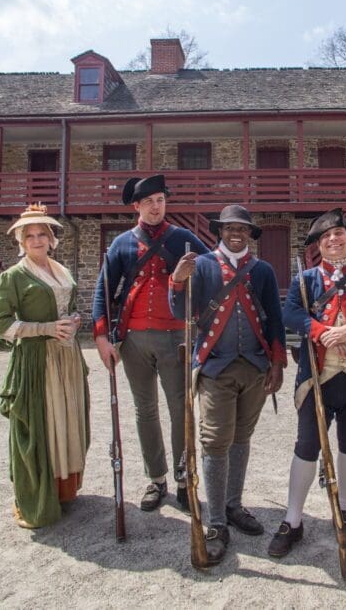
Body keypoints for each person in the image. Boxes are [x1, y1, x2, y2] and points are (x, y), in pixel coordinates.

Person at [269, 208, 346, 558]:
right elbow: (291, 313)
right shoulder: (305, 281)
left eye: (339, 235)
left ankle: (344, 509)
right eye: (326, 238)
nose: (333, 241)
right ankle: (293, 519)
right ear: (318, 246)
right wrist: (320, 331)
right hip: (317, 378)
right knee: (306, 445)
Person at [169, 205, 286, 565]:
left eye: (243, 229)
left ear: (250, 234)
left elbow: (275, 318)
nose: (236, 233)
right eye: (230, 228)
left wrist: (278, 362)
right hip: (215, 367)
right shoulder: (202, 265)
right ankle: (217, 521)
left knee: (241, 438)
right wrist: (177, 280)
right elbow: (179, 312)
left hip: (254, 365)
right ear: (220, 231)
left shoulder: (262, 270)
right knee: (215, 441)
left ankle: (234, 505)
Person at [92, 175, 210, 511]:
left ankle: (184, 479)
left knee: (180, 411)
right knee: (145, 411)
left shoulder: (184, 238)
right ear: (137, 207)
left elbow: (212, 272)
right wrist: (102, 336)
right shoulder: (122, 244)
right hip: (133, 341)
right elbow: (103, 290)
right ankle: (156, 479)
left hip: (176, 337)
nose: (156, 206)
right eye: (148, 202)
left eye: (160, 200)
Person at [0, 204, 90, 529]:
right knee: (42, 425)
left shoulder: (60, 271)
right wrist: (45, 329)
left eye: (41, 234)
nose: (36, 240)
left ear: (50, 239)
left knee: (67, 419)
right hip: (37, 361)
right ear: (21, 241)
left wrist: (74, 319)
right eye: (29, 235)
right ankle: (38, 496)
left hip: (68, 358)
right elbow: (0, 324)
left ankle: (63, 488)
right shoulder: (13, 277)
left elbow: (69, 307)